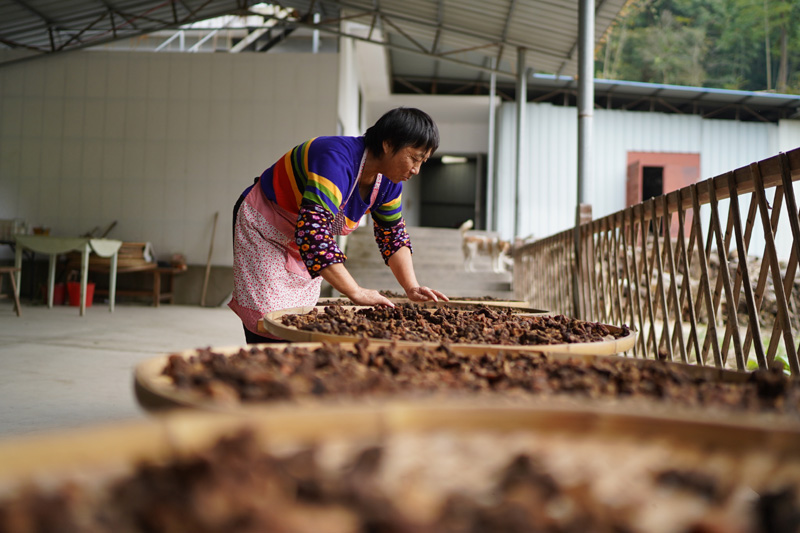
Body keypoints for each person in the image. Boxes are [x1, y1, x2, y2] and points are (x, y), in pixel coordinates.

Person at [229, 107, 450, 344]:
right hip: (264, 226)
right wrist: (355, 291)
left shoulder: (390, 183)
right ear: (388, 144)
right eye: (414, 158)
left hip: (299, 239)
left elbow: (393, 235)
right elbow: (312, 233)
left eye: (422, 162)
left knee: (297, 317)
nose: (416, 170)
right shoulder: (336, 157)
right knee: (269, 321)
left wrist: (411, 287)